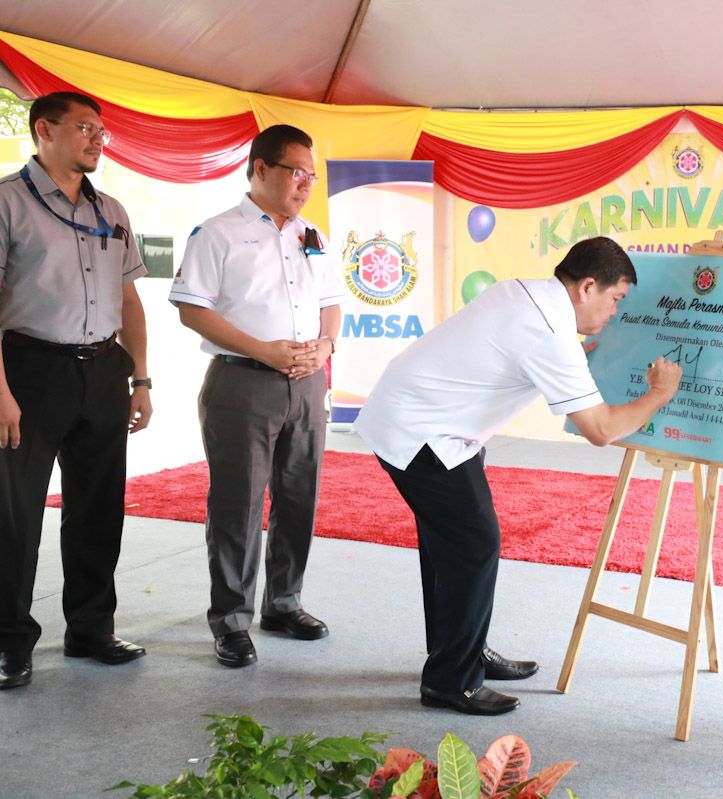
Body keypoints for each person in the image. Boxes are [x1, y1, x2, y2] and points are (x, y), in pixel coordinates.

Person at [355, 236, 683, 716]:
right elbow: (602, 430)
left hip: (426, 417)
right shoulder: (549, 332)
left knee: (451, 544)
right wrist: (659, 394)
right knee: (473, 544)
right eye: (615, 299)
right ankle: (452, 681)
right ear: (587, 287)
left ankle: (462, 652)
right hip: (421, 430)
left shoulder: (523, 293)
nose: (616, 312)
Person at [169, 125, 343, 668]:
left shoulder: (312, 234)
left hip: (307, 384)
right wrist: (263, 351)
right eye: (297, 172)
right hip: (242, 382)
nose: (306, 184)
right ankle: (232, 620)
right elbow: (192, 308)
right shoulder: (218, 233)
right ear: (262, 168)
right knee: (238, 504)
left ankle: (283, 604)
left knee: (299, 497)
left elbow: (332, 301)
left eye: (312, 175)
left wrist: (326, 346)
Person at [0, 91, 152, 690]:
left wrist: (139, 378)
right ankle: (10, 641)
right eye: (85, 128)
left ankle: (91, 628)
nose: (97, 139)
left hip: (104, 369)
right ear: (44, 130)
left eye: (102, 132)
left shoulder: (110, 208)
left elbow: (131, 296)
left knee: (98, 505)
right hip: (29, 369)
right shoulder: (8, 202)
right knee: (14, 514)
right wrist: (2, 392)